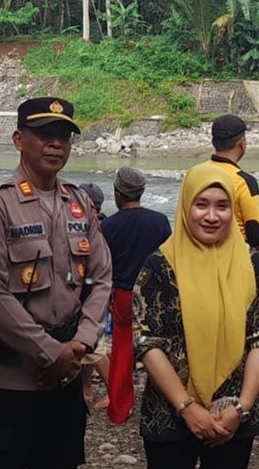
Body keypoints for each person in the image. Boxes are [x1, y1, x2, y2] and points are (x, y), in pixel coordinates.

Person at [0, 97, 115, 468]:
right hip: (11, 381)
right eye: (44, 135)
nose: (56, 144)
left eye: (64, 136)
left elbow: (102, 276)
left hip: (66, 376)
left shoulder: (78, 202)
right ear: (19, 140)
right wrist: (50, 351)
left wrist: (81, 341)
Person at [133, 175, 259, 469]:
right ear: (186, 206)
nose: (212, 216)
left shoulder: (253, 264)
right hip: (170, 412)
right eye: (201, 205)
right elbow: (147, 343)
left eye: (222, 206)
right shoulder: (160, 266)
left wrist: (243, 407)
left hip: (234, 414)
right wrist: (187, 408)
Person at [102, 166, 171, 425]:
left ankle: (120, 409)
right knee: (160, 346)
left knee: (121, 350)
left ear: (118, 193)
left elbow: (103, 267)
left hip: (122, 294)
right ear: (141, 192)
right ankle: (166, 399)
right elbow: (168, 262)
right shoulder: (160, 221)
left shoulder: (108, 226)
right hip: (154, 293)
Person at [180, 116, 259, 259]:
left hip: (195, 253)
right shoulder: (244, 181)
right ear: (241, 143)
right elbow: (255, 233)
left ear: (213, 142)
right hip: (234, 257)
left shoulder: (193, 173)